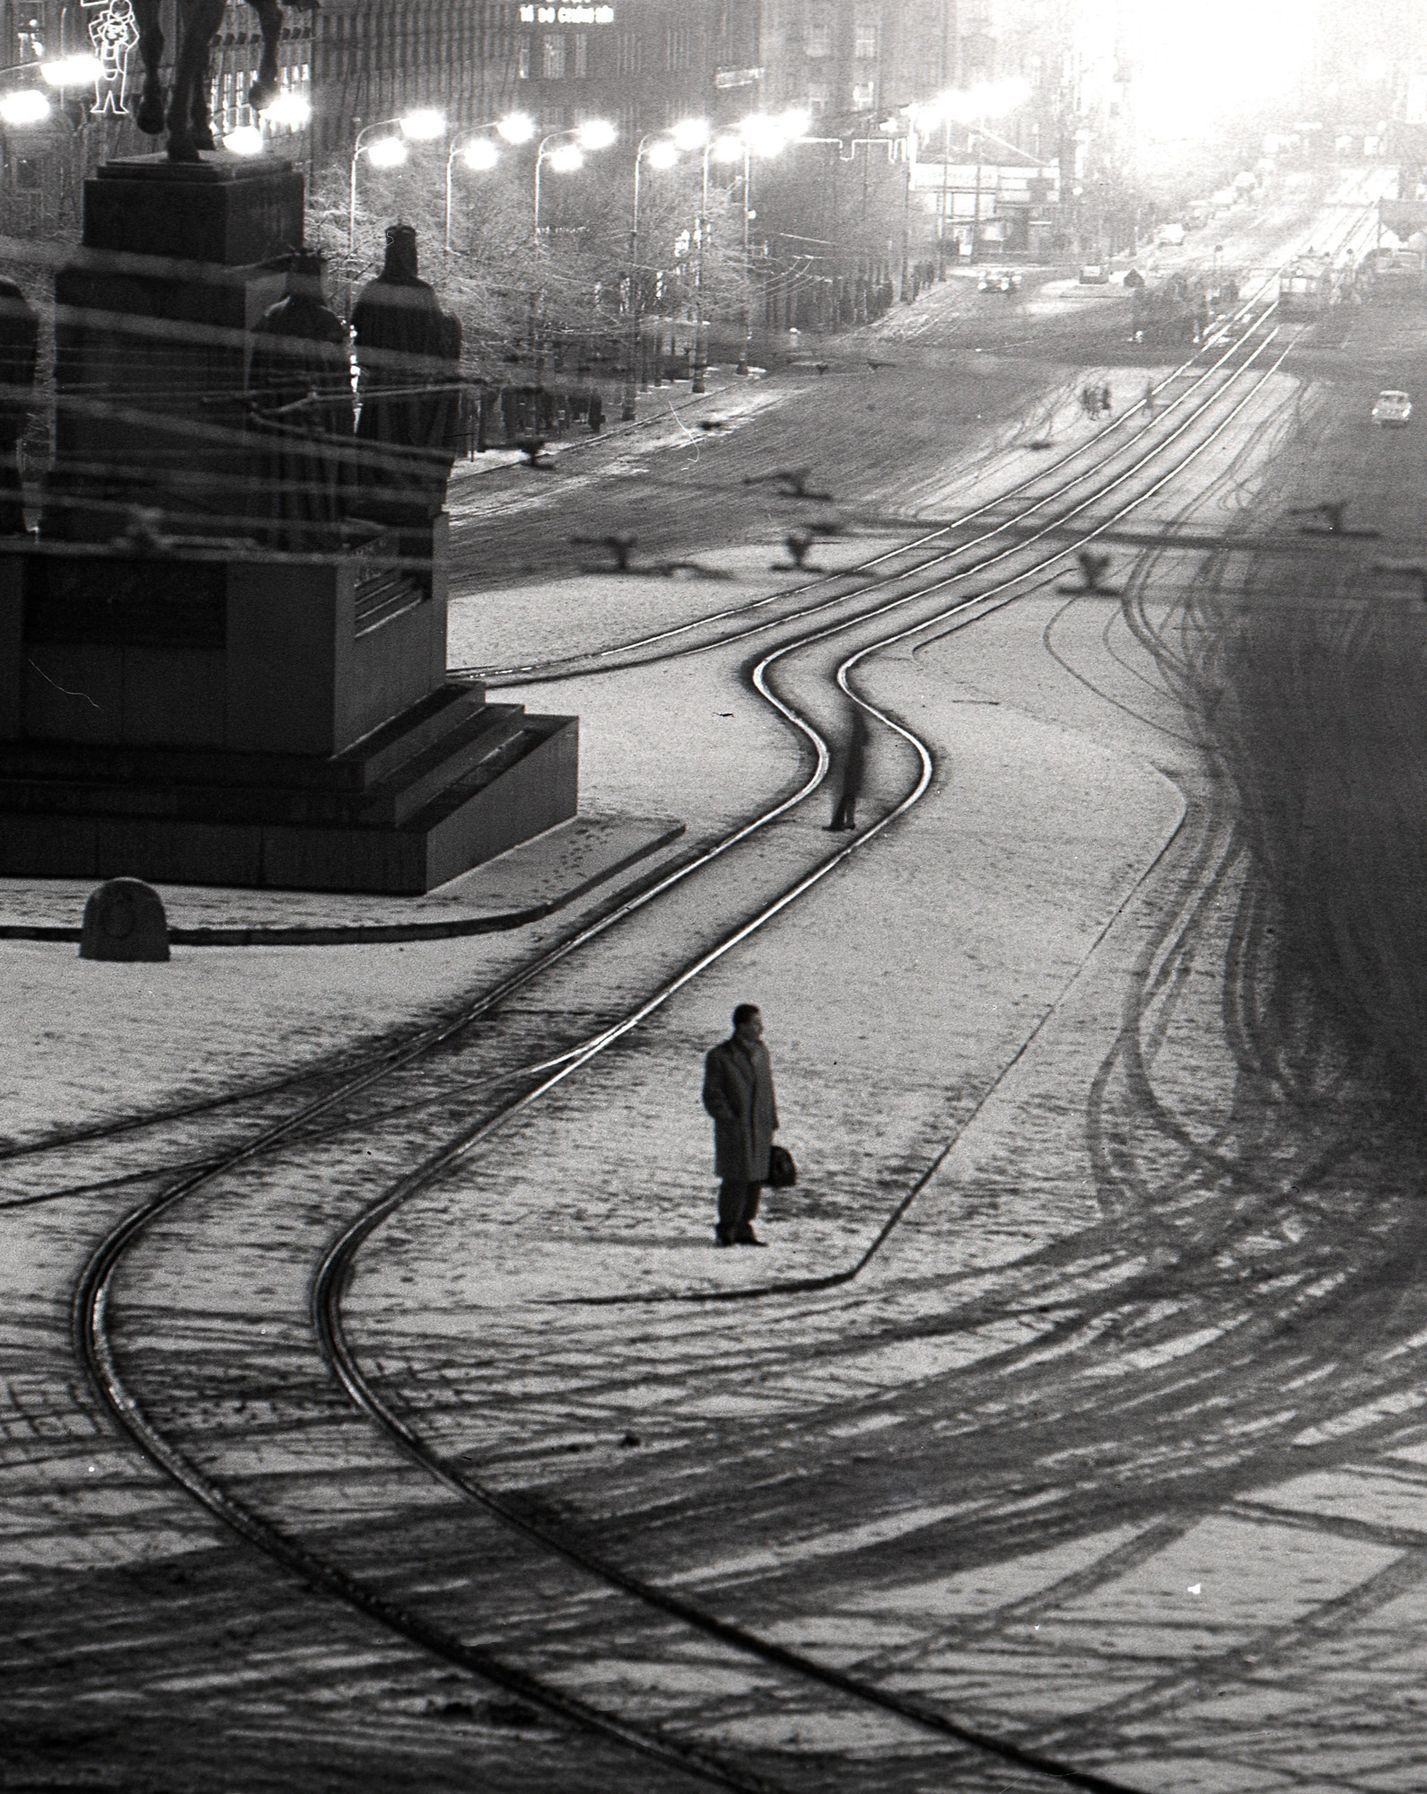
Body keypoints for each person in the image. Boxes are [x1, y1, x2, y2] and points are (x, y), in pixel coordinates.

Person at [702, 1004, 779, 1247]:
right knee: (735, 1178)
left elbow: (768, 1089)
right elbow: (712, 1094)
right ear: (742, 1026)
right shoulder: (720, 1056)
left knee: (755, 1178)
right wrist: (729, 1119)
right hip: (736, 1129)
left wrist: (771, 1119)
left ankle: (745, 1225)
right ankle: (726, 1227)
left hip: (760, 1126)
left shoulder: (761, 1052)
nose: (761, 1028)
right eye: (756, 1024)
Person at [824, 707, 868, 832]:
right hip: (856, 763)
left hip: (850, 764)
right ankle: (849, 821)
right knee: (849, 795)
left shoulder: (851, 731)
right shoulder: (858, 728)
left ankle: (840, 823)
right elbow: (866, 740)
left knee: (844, 794)